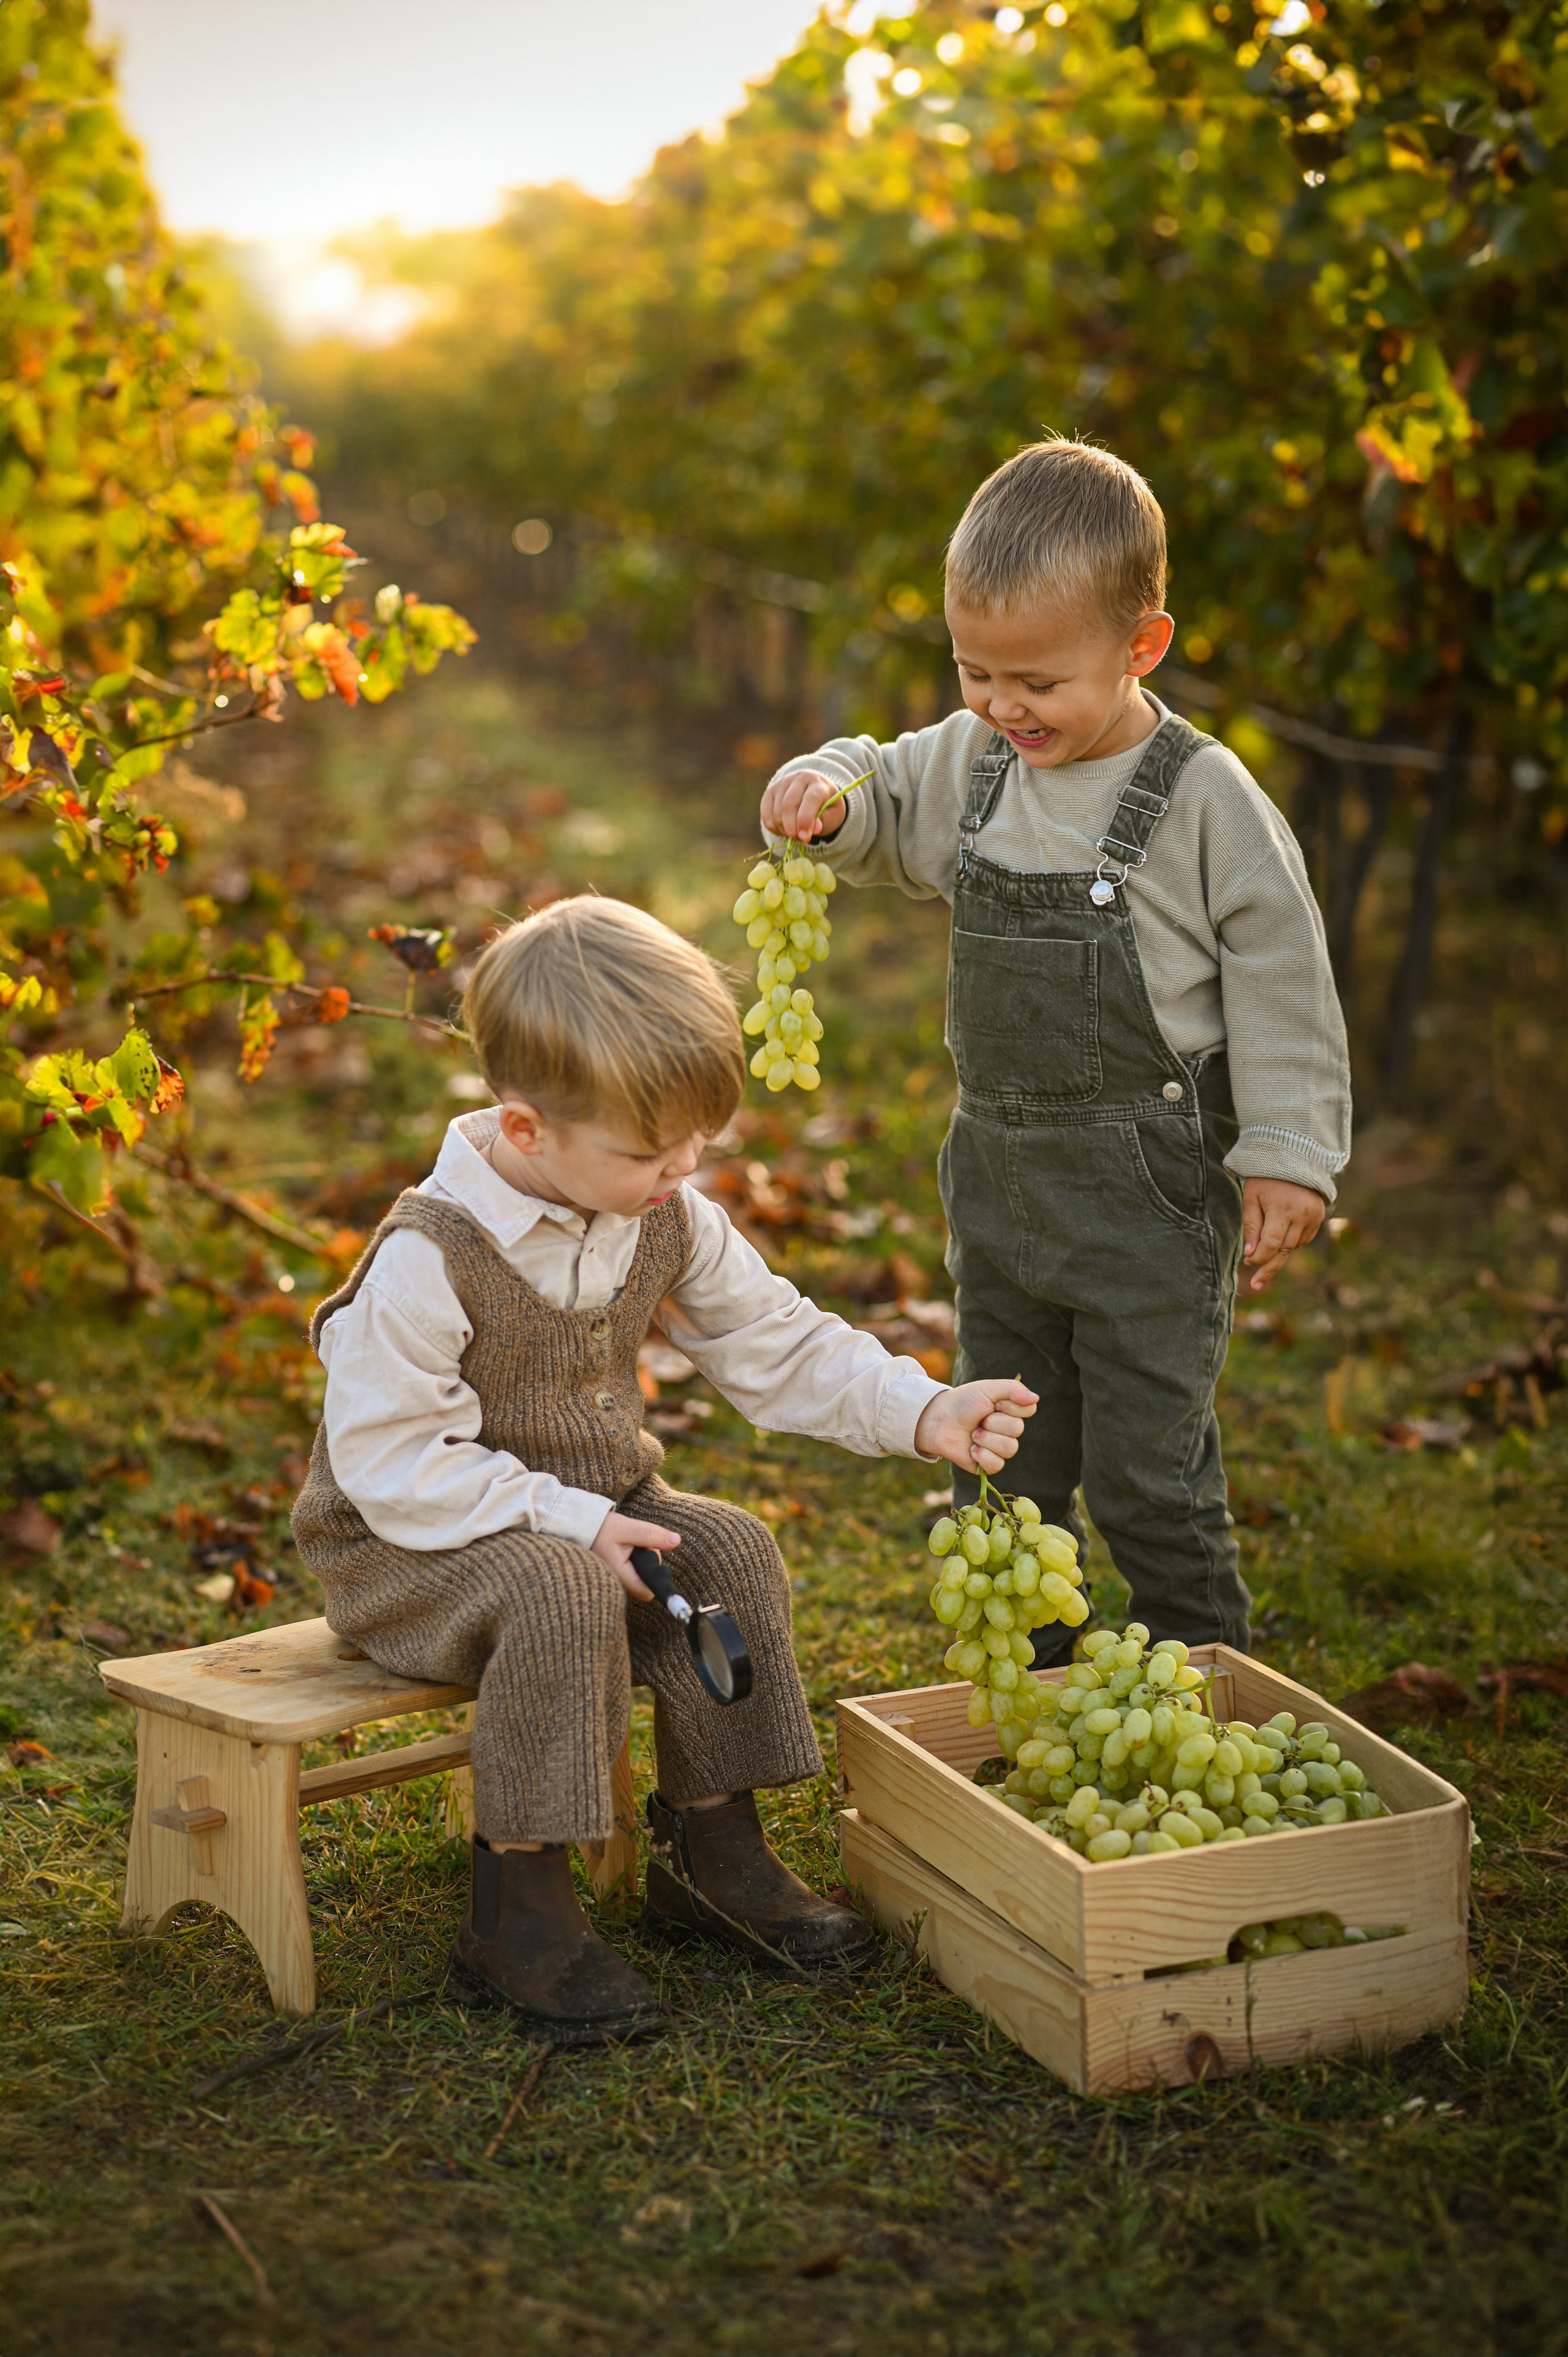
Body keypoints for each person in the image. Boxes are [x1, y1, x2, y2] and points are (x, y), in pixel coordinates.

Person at [292, 896, 1036, 2045]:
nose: (682, 1169)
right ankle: (520, 1906)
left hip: (585, 1506)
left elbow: (774, 1339)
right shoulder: (425, 1260)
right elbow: (395, 1465)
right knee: (560, 1586)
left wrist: (922, 1407)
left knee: (727, 1545)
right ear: (527, 1127)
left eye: (699, 1142)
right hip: (414, 1543)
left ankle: (713, 1850)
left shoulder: (660, 1209)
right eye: (651, 1151)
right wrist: (567, 1524)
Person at [760, 436, 1351, 1660]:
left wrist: (1288, 1149)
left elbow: (1282, 976)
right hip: (1003, 1192)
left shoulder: (1202, 799)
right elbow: (876, 791)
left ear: (1140, 648)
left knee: (1149, 1469)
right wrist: (823, 792)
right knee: (1007, 1452)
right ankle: (1030, 1678)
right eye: (974, 671)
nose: (1000, 706)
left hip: (1147, 1204)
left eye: (1035, 680)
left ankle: (1205, 1672)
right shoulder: (972, 762)